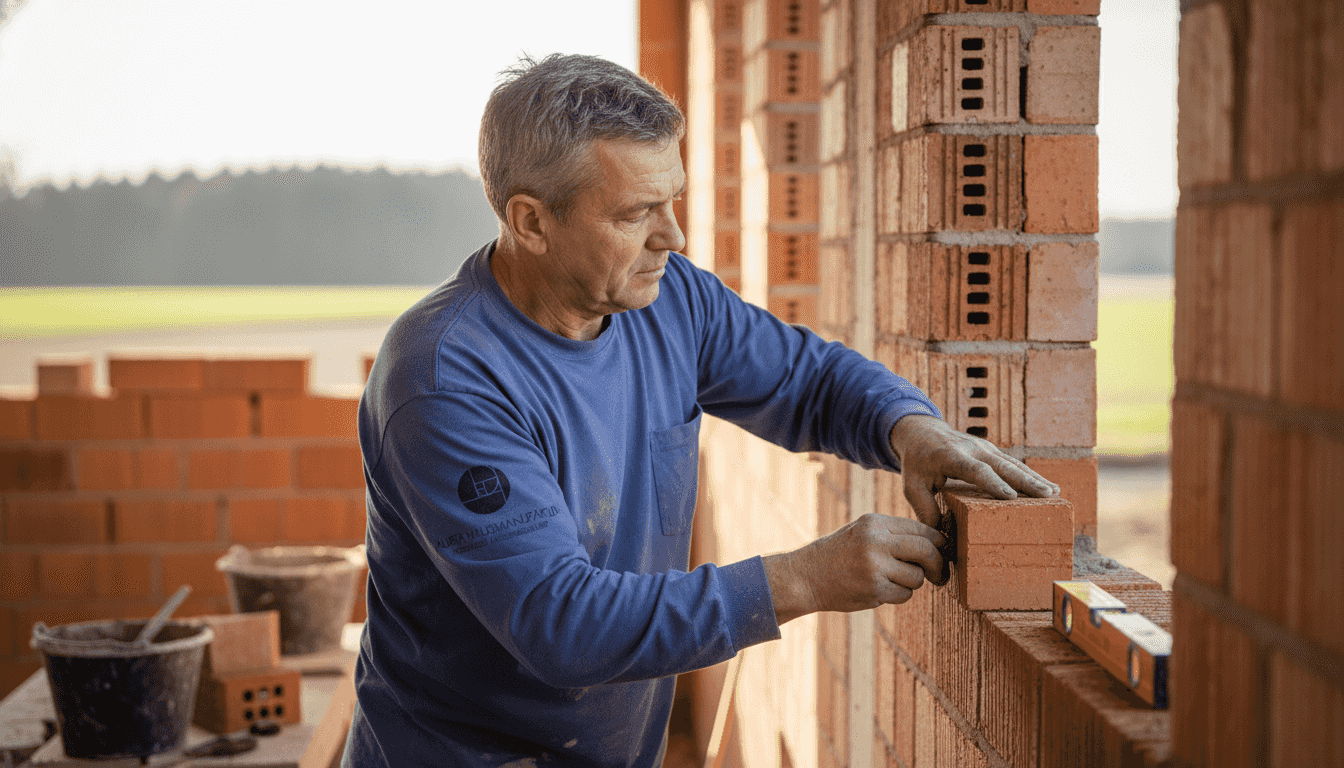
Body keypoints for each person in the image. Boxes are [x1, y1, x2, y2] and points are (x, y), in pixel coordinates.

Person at [342, 53, 1058, 767]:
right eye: (636, 213)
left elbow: (807, 381)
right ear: (531, 220)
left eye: (673, 199)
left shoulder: (668, 300)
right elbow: (560, 623)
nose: (674, 236)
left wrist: (911, 429)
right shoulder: (445, 380)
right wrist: (806, 578)